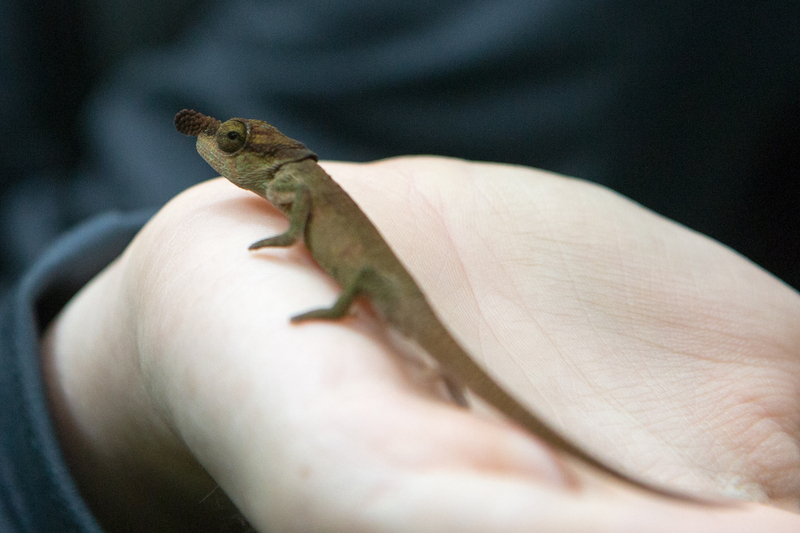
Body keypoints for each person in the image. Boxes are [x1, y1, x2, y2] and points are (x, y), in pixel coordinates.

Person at [1, 1, 798, 531]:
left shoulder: (295, 183)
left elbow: (304, 225)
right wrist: (100, 383)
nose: (221, 151)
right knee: (438, 358)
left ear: (267, 154)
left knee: (418, 336)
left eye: (236, 143)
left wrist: (311, 287)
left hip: (369, 283)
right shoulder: (290, 176)